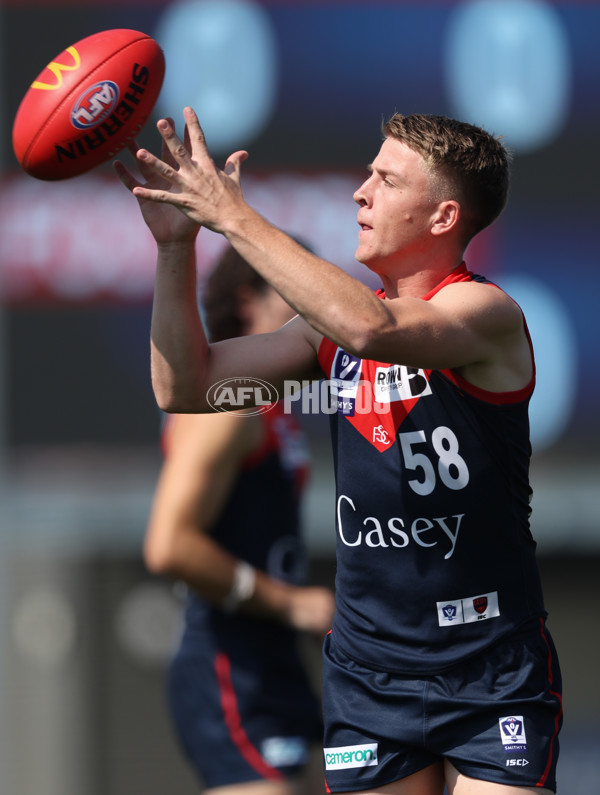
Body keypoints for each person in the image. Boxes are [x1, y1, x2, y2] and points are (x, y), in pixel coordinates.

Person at [115, 107, 563, 795]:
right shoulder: (322, 333)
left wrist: (234, 217)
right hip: (369, 671)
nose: (361, 192)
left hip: (489, 666)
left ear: (443, 218)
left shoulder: (484, 314)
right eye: (367, 174)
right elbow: (184, 384)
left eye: (386, 179)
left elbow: (372, 326)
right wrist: (176, 249)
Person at [143, 243, 336, 794]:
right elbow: (168, 545)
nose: (320, 309)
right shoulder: (226, 408)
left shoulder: (271, 405)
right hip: (228, 664)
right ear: (249, 302)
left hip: (266, 657)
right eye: (297, 294)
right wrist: (290, 602)